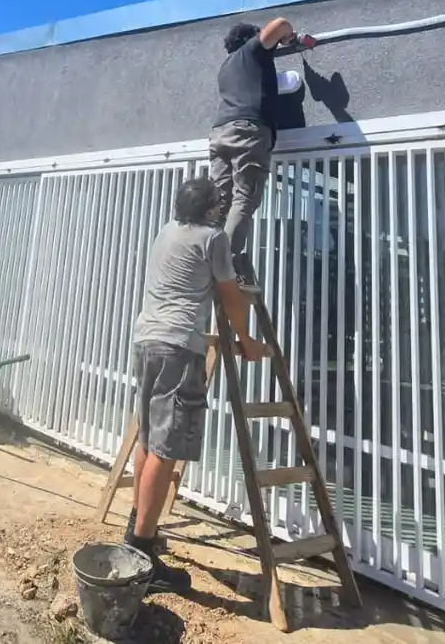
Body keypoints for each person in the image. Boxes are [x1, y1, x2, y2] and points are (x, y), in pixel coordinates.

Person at [125, 177, 267, 593]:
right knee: (166, 449)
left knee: (148, 439)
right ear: (209, 210)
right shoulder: (213, 239)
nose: (222, 209)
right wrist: (247, 340)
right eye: (218, 204)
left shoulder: (166, 231)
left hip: (146, 339)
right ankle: (141, 552)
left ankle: (139, 525)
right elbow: (230, 296)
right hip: (178, 345)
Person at [209, 17, 309, 282]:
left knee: (220, 201)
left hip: (220, 134)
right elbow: (281, 23)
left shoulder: (226, 67)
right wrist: (287, 37)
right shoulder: (252, 50)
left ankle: (206, 257)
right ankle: (225, 265)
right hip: (247, 130)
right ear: (251, 38)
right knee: (245, 197)